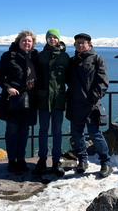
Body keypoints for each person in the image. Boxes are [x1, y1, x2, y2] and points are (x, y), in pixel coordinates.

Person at [66, 33, 113, 178]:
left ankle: (106, 163)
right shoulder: (72, 61)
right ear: (75, 45)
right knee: (77, 134)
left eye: (83, 42)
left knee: (95, 134)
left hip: (91, 105)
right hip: (75, 104)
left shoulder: (98, 60)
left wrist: (93, 98)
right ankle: (82, 161)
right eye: (78, 43)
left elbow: (103, 82)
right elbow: (68, 80)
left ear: (89, 44)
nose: (81, 45)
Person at [0, 30, 39, 172]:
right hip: (13, 99)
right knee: (12, 131)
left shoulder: (35, 57)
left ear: (33, 43)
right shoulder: (9, 56)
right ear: (18, 42)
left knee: (24, 131)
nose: (27, 43)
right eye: (24, 40)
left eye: (29, 41)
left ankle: (21, 160)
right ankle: (11, 161)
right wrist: (8, 88)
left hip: (30, 100)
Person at [33, 28, 70, 176]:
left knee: (57, 132)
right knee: (42, 131)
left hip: (58, 100)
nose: (53, 40)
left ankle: (56, 161)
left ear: (59, 39)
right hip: (43, 100)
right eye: (50, 38)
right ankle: (42, 160)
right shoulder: (41, 56)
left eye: (55, 37)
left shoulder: (64, 57)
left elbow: (69, 78)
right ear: (46, 40)